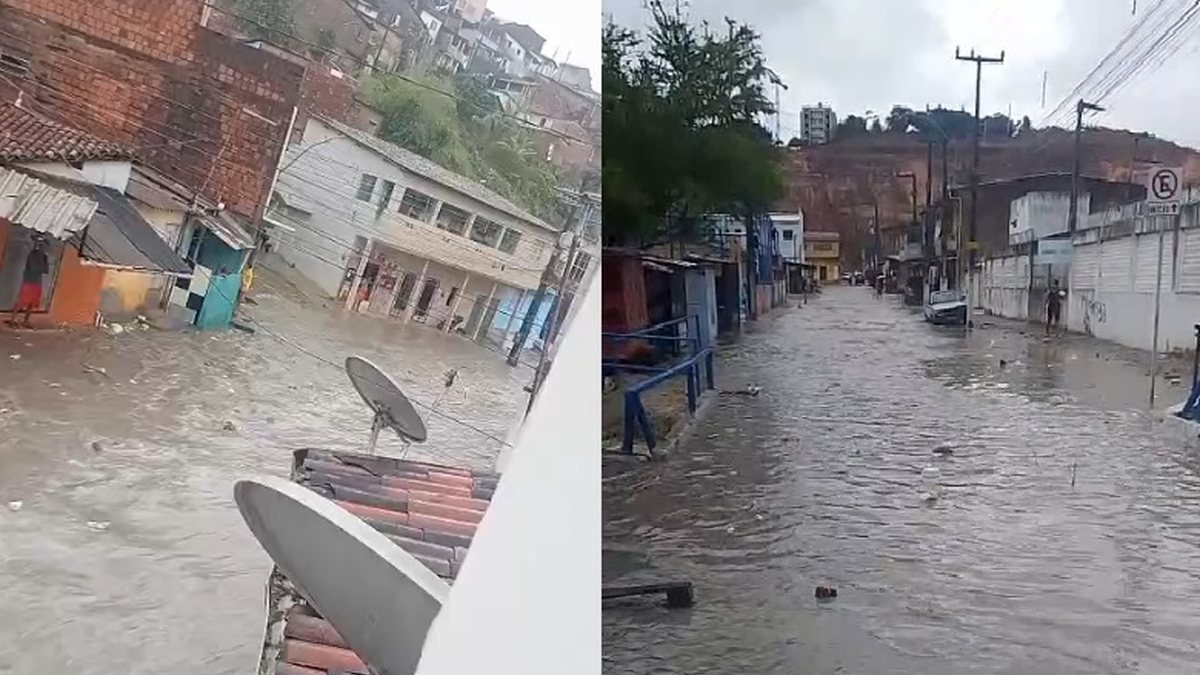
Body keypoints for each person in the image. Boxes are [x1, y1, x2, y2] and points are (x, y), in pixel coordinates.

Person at [10, 237, 49, 328]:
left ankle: (26, 321)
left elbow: (45, 270)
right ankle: (13, 320)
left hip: (37, 282)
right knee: (21, 301)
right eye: (40, 245)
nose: (41, 247)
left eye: (43, 245)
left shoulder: (44, 256)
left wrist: (41, 266)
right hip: (28, 281)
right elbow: (36, 268)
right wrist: (41, 267)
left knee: (32, 303)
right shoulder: (32, 255)